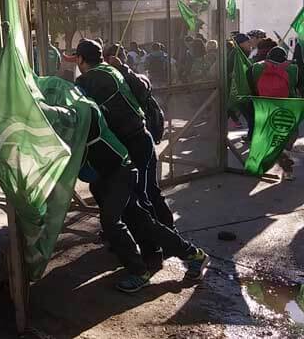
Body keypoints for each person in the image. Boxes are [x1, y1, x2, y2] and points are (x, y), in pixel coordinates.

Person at [40, 98, 210, 293]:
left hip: (120, 173)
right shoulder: (74, 119)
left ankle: (139, 272)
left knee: (111, 222)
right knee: (142, 222)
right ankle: (193, 254)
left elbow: (53, 113)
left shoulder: (85, 113)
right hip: (107, 175)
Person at [74, 40, 175, 233]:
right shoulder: (117, 71)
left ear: (80, 59)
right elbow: (144, 88)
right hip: (143, 136)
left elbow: (84, 113)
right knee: (148, 191)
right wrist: (123, 69)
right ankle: (168, 231)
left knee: (133, 196)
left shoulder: (85, 82)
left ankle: (152, 245)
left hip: (123, 145)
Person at [248, 46, 300, 180]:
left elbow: (252, 85)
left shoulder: (257, 67)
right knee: (291, 133)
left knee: (268, 135)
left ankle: (261, 164)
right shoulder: (293, 69)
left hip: (265, 105)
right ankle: (285, 157)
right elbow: (296, 85)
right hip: (288, 106)